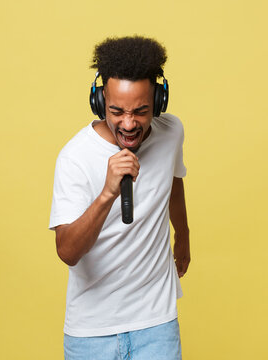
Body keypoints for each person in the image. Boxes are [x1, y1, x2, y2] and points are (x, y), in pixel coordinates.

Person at [48, 35, 190, 360]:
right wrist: (107, 194)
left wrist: (183, 235)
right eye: (116, 111)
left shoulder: (171, 133)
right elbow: (67, 251)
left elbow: (173, 176)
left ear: (159, 100)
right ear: (100, 103)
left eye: (141, 111)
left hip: (156, 324)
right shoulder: (75, 157)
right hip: (91, 332)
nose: (128, 123)